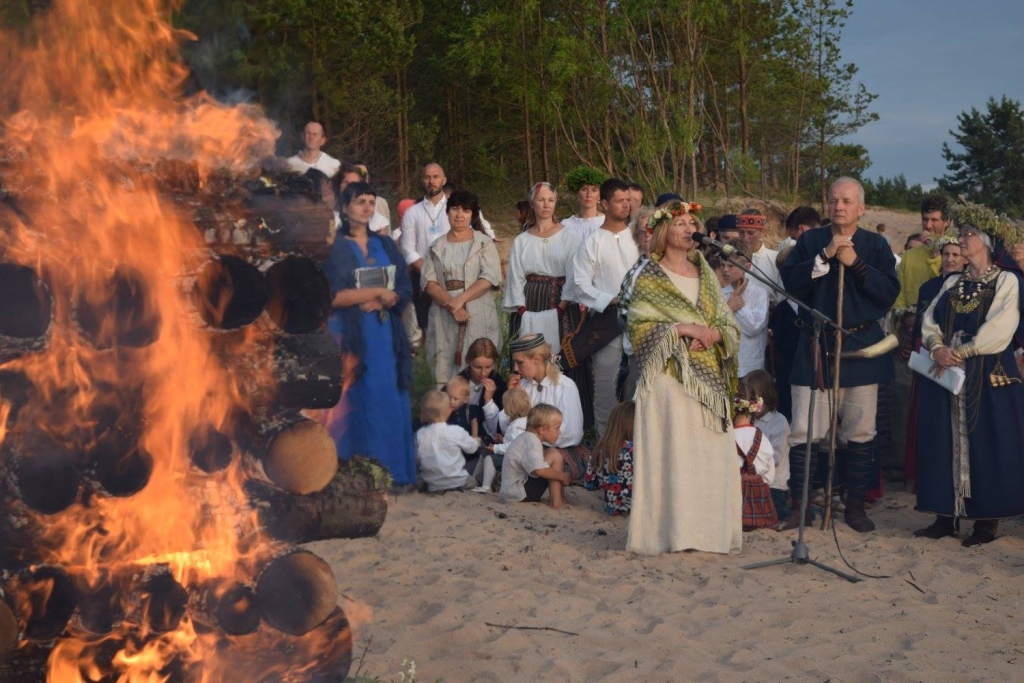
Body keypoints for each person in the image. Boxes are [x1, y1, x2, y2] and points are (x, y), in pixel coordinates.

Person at [779, 177, 899, 532]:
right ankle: (801, 506)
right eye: (833, 200)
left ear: (860, 208)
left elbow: (887, 293)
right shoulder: (811, 242)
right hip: (816, 348)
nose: (839, 206)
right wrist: (826, 256)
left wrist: (856, 263)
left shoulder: (877, 246)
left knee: (860, 433)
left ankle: (855, 506)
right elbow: (792, 283)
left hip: (861, 350)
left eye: (847, 201)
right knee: (804, 431)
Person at [625, 200, 742, 555]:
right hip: (666, 378)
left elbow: (725, 320)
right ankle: (671, 535)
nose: (689, 228)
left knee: (706, 454)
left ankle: (708, 534)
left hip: (706, 375)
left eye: (693, 222)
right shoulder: (649, 274)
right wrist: (684, 328)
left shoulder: (704, 269)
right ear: (663, 231)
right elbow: (638, 326)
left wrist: (712, 335)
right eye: (680, 223)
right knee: (673, 455)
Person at [914, 222, 1024, 546]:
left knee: (987, 440)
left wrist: (960, 351)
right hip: (946, 371)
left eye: (966, 235)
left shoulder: (1007, 280)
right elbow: (929, 320)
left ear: (986, 242)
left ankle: (986, 521)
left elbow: (1001, 328)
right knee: (942, 441)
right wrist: (936, 347)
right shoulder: (951, 282)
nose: (960, 240)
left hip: (988, 371)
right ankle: (945, 517)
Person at [323, 182, 416, 486]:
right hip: (350, 337)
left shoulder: (386, 244)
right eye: (360, 201)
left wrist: (381, 299)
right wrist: (374, 292)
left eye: (371, 202)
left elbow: (403, 286)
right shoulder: (334, 246)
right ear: (345, 207)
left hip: (384, 334)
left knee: (386, 398)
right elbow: (331, 296)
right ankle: (354, 476)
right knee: (357, 402)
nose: (366, 207)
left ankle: (393, 475)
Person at [503, 183, 594, 428]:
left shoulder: (569, 236)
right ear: (532, 203)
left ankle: (569, 423)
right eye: (541, 200)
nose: (546, 205)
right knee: (529, 355)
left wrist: (563, 306)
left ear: (556, 203)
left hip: (560, 302)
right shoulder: (522, 240)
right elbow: (515, 276)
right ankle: (527, 417)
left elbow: (574, 273)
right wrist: (521, 310)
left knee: (563, 356)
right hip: (530, 303)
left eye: (550, 200)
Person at [568, 178, 639, 433]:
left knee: (638, 381)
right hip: (607, 322)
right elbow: (580, 286)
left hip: (639, 319)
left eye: (628, 201)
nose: (626, 206)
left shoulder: (638, 238)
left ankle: (634, 441)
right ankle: (606, 443)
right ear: (605, 203)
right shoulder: (592, 242)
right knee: (606, 385)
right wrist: (611, 299)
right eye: (620, 201)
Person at [421, 189, 502, 387]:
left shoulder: (484, 244)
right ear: (447, 212)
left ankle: (482, 414)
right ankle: (446, 414)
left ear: (473, 215)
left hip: (477, 311)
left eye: (466, 210)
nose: (459, 215)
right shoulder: (436, 246)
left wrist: (460, 300)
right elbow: (429, 282)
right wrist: (451, 304)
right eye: (455, 209)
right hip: (443, 314)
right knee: (444, 367)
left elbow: (489, 277)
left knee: (478, 367)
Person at [507, 334, 589, 484]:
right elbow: (510, 426)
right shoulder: (523, 386)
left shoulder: (565, 386)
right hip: (527, 449)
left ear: (537, 359)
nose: (515, 369)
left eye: (520, 362)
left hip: (557, 450)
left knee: (546, 461)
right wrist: (512, 396)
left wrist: (534, 440)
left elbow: (572, 433)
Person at [401, 162, 450, 329]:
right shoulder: (412, 212)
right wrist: (429, 274)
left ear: (444, 180)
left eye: (436, 177)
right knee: (428, 330)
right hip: (422, 279)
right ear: (422, 181)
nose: (431, 181)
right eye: (427, 177)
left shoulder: (456, 210)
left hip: (452, 278)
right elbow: (408, 249)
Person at [616, 205, 656, 401]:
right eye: (642, 231)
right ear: (637, 237)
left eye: (652, 228)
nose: (647, 234)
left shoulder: (675, 267)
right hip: (637, 355)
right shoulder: (633, 273)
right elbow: (622, 314)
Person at [499, 404, 571, 508]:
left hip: (511, 493)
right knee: (555, 455)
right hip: (520, 495)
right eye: (557, 428)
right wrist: (562, 476)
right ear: (542, 430)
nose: (559, 432)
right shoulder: (532, 440)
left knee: (551, 452)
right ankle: (557, 502)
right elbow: (539, 470)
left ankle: (560, 497)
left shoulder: (526, 437)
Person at [744, 369, 791, 521]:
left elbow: (774, 459)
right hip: (749, 481)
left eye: (753, 399)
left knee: (766, 513)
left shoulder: (779, 422)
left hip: (773, 486)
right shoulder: (748, 420)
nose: (750, 404)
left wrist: (748, 464)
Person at [894, 195, 953, 313]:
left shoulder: (955, 253)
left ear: (947, 222)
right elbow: (899, 294)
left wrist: (935, 250)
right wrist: (903, 317)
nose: (928, 225)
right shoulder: (909, 256)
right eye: (925, 219)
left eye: (934, 220)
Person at [720, 238, 769, 377]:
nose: (725, 270)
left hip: (751, 368)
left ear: (747, 267)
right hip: (726, 367)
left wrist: (738, 307)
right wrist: (730, 306)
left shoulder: (759, 293)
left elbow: (753, 327)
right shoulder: (719, 293)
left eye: (731, 266)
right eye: (722, 265)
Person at [416, 390, 480, 492]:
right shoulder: (455, 431)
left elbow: (417, 458)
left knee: (418, 478)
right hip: (457, 481)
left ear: (423, 413)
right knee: (474, 481)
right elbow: (472, 449)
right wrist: (476, 440)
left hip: (430, 482)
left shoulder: (421, 434)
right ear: (449, 409)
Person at [733, 383, 777, 531]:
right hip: (760, 506)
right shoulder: (761, 438)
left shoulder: (726, 438)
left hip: (732, 503)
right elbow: (770, 476)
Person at [584, 400, 635, 516]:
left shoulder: (600, 450)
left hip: (612, 509)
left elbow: (589, 484)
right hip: (637, 510)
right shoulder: (637, 450)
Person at [457, 337, 508, 435]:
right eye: (477, 367)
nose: (483, 373)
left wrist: (488, 401)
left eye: (488, 367)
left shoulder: (498, 383)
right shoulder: (459, 381)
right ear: (469, 362)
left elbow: (501, 427)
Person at [737, 210, 783, 303]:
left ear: (763, 232)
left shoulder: (776, 259)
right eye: (741, 233)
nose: (745, 238)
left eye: (751, 233)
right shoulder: (730, 259)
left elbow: (782, 297)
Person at [336, 162, 391, 237]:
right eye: (346, 182)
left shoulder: (377, 220)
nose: (349, 186)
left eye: (354, 183)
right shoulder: (330, 213)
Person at [560, 165, 607, 236]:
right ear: (577, 193)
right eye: (584, 189)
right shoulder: (566, 224)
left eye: (594, 190)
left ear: (600, 195)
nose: (589, 195)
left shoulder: (607, 222)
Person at [445, 375, 481, 439]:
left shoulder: (469, 410)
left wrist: (474, 437)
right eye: (449, 397)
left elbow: (474, 423)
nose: (451, 402)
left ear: (465, 399)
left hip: (464, 441)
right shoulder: (445, 409)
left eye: (455, 399)